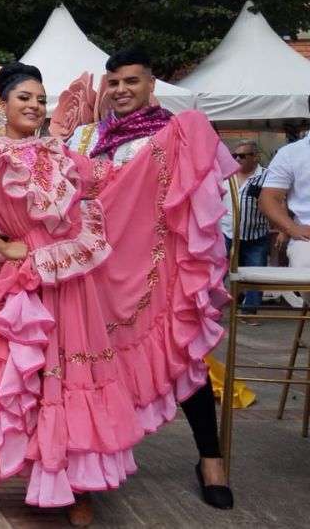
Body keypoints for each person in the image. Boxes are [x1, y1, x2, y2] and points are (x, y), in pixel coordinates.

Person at [0, 62, 234, 525]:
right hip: (26, 283)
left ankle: (77, 486)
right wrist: (4, 247)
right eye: (24, 98)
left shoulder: (60, 153)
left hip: (75, 282)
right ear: (1, 107)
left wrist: (172, 147)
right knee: (5, 379)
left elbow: (115, 181)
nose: (34, 106)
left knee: (73, 381)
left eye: (40, 98)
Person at [65, 48, 234, 509]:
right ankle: (89, 461)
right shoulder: (84, 137)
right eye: (114, 82)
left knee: (182, 358)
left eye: (131, 82)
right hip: (94, 269)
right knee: (90, 364)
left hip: (156, 268)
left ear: (151, 84)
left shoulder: (172, 134)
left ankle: (211, 458)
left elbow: (194, 198)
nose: (121, 90)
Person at [221, 140, 270, 323]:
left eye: (243, 155)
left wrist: (282, 231)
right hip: (226, 231)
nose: (237, 159)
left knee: (255, 274)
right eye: (234, 156)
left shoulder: (267, 176)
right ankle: (211, 310)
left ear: (255, 156)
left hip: (255, 234)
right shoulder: (225, 175)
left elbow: (278, 202)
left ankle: (249, 313)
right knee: (217, 273)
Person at [259, 132, 310, 287]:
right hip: (307, 236)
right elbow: (268, 199)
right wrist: (292, 228)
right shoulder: (291, 154)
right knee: (305, 265)